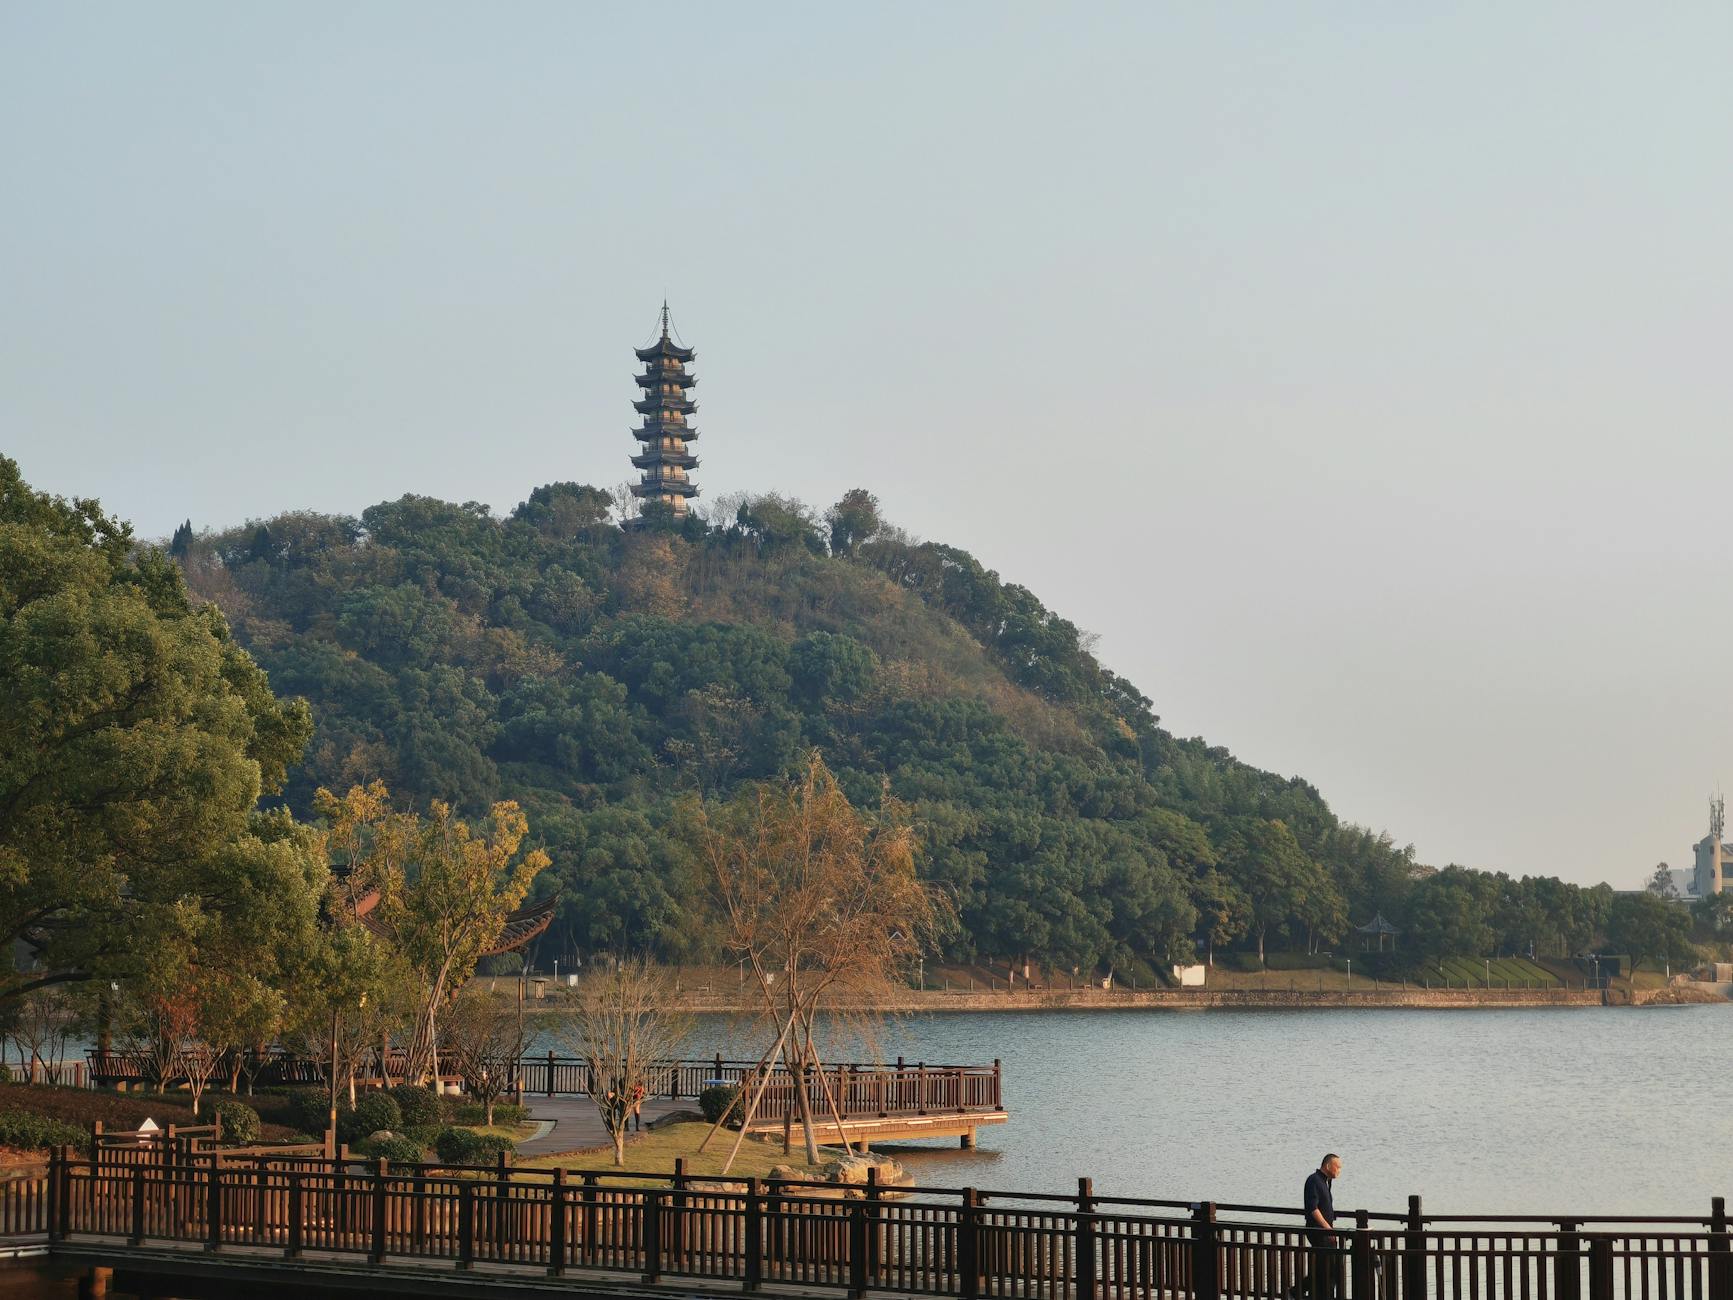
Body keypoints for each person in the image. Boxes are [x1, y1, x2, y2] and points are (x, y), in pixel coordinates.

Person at [1294, 1153, 1346, 1300]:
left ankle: (1300, 1292)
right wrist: (1327, 1228)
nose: (1339, 1170)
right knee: (1327, 1268)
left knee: (1327, 1268)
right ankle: (1297, 1292)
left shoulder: (1325, 1182)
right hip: (1318, 1231)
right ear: (1328, 1166)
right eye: (1338, 1167)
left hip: (1325, 1232)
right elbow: (1313, 1209)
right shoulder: (1314, 1180)